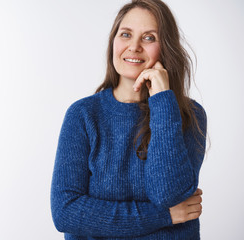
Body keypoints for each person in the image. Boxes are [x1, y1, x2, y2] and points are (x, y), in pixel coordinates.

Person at [50, 0, 207, 239]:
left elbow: (167, 194)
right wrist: (165, 216)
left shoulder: (189, 114)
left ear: (166, 48)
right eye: (126, 34)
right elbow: (66, 212)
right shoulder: (83, 115)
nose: (134, 47)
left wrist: (164, 102)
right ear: (113, 41)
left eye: (149, 37)